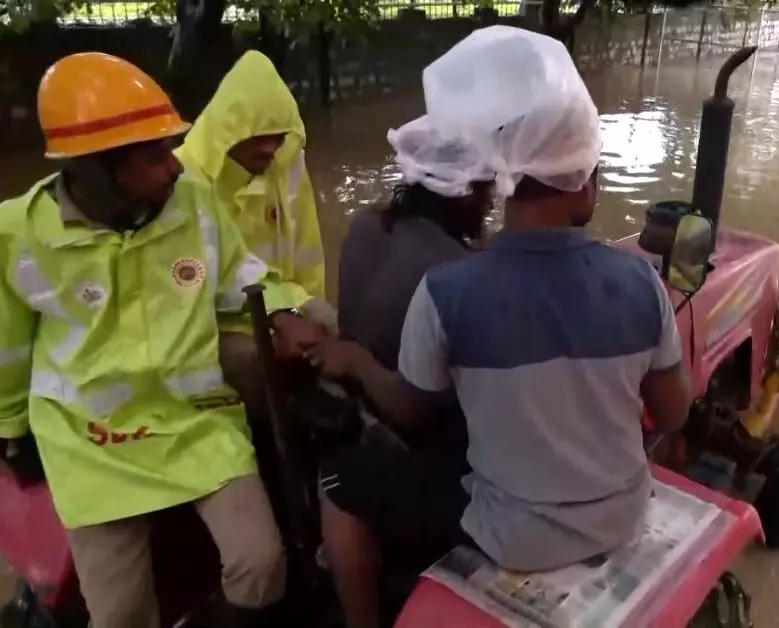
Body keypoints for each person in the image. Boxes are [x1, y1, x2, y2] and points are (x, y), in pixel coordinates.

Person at [308, 27, 691, 628]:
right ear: (587, 183)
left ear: (502, 178)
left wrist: (354, 359)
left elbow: (409, 411)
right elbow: (671, 417)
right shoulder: (641, 283)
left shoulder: (447, 289)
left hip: (510, 539)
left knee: (339, 478)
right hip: (623, 518)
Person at [0, 52, 325, 628]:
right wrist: (12, 433)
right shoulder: (17, 236)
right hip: (91, 443)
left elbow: (239, 278)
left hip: (195, 423)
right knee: (120, 615)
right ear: (98, 169)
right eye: (153, 154)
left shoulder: (192, 204)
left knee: (261, 566)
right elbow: (7, 349)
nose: (174, 166)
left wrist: (287, 309)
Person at [312, 114, 494, 625]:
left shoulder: (364, 228)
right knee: (341, 480)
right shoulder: (455, 271)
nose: (492, 199)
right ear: (459, 192)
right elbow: (419, 406)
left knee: (337, 473)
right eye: (484, 188)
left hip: (359, 415)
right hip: (412, 432)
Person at [176, 50, 333, 330]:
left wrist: (313, 312)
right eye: (258, 138)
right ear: (227, 133)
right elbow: (200, 289)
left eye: (279, 137)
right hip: (223, 330)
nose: (270, 148)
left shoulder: (286, 163)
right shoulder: (180, 179)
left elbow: (308, 252)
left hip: (287, 313)